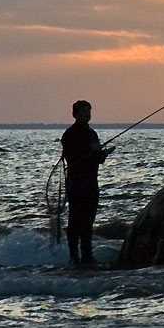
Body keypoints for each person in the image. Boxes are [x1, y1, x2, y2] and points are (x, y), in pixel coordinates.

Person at [59, 99, 113, 266]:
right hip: (76, 182)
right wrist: (93, 153)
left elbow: (96, 158)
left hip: (91, 182)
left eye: (88, 112)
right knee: (75, 221)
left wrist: (102, 154)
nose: (87, 115)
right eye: (83, 112)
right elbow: (75, 156)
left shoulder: (92, 133)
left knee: (88, 221)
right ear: (75, 114)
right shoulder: (69, 134)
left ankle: (87, 257)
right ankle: (74, 258)